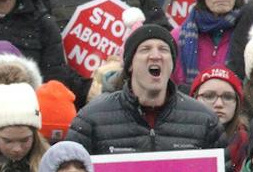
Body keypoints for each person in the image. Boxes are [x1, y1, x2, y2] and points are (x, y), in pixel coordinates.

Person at [69, 22, 228, 156]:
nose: (155, 56)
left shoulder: (205, 120)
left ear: (172, 64)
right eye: (145, 49)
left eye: (163, 49)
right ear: (130, 65)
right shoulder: (91, 119)